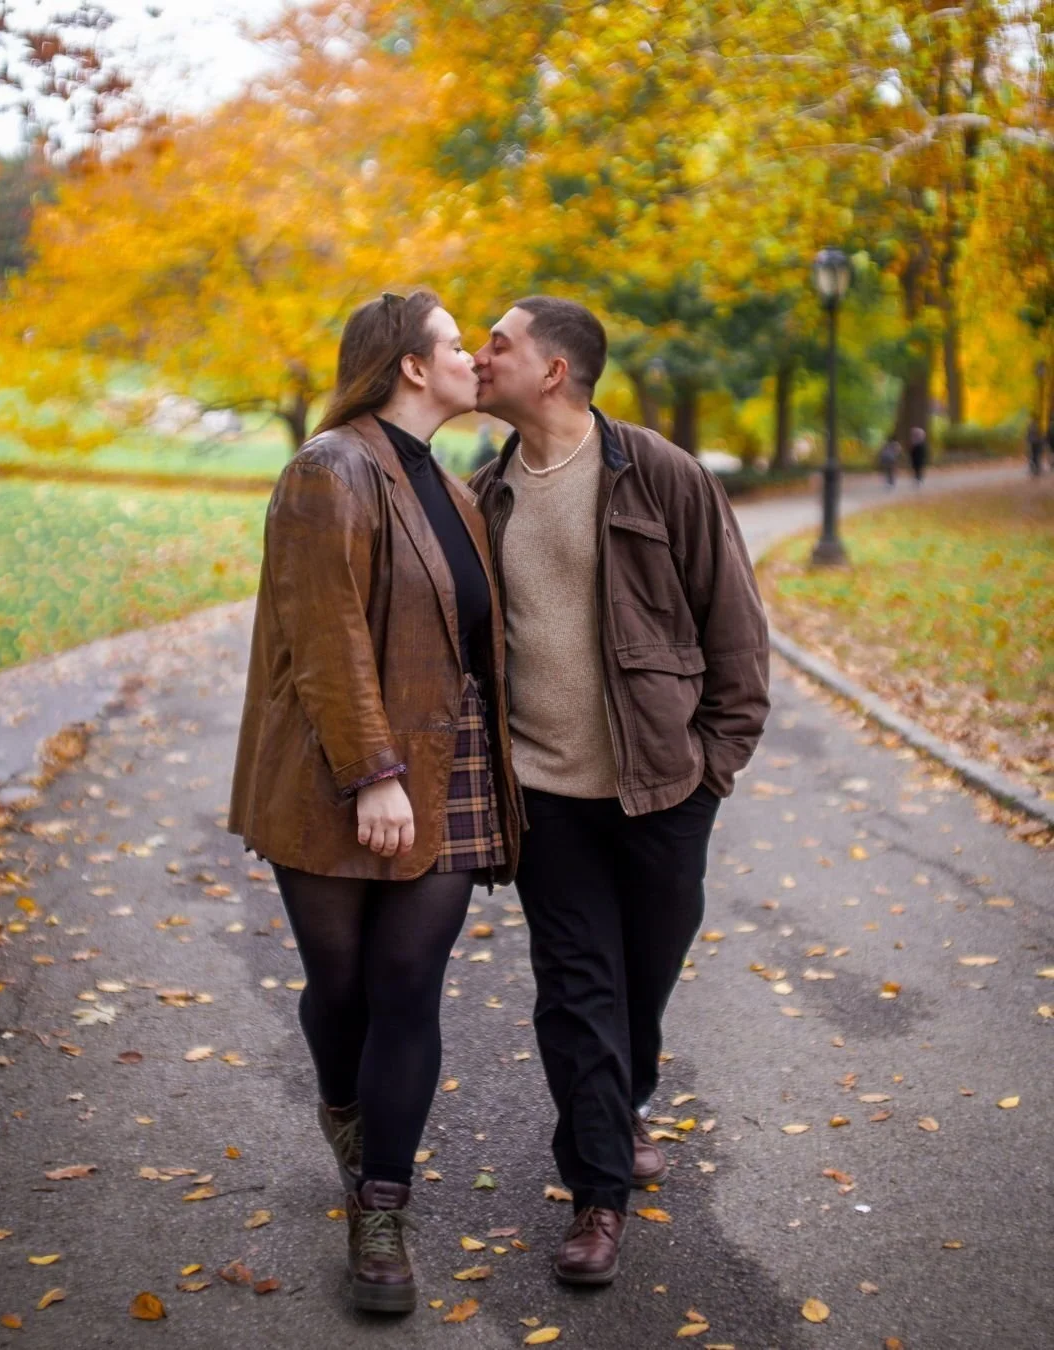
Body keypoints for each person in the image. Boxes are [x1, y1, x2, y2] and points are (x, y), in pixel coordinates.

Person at [229, 289, 520, 1314]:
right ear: (410, 365)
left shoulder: (452, 486)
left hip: (454, 766)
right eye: (457, 344)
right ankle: (346, 1108)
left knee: (407, 986)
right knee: (343, 986)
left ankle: (381, 1208)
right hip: (332, 774)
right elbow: (327, 637)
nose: (473, 360)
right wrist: (375, 773)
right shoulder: (329, 468)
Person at [470, 297, 770, 1287]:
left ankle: (626, 1099)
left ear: (553, 371)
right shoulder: (485, 494)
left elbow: (735, 628)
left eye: (499, 344)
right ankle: (598, 1196)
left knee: (642, 980)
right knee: (578, 993)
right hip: (545, 796)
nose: (480, 356)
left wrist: (712, 769)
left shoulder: (661, 474)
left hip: (662, 791)